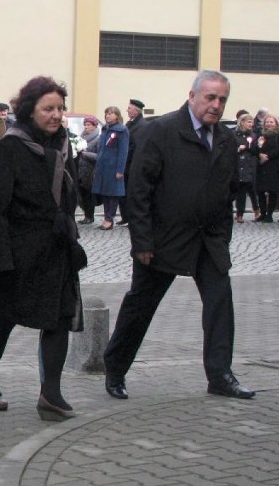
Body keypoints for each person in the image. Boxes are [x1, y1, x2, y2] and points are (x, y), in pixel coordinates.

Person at [103, 69, 254, 400]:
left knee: (219, 304)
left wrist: (223, 236)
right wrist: (142, 241)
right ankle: (114, 368)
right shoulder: (162, 130)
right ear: (192, 96)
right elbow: (140, 190)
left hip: (208, 239)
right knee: (141, 305)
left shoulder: (227, 138)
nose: (216, 105)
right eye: (210, 97)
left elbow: (228, 190)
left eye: (222, 99)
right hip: (162, 239)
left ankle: (220, 375)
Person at [0, 76, 84, 421]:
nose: (56, 115)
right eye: (48, 109)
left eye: (60, 108)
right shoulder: (12, 146)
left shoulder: (63, 144)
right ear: (29, 110)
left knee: (59, 319)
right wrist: (1, 258)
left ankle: (51, 394)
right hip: (17, 249)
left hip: (55, 248)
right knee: (5, 317)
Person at [91, 106, 129, 230]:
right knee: (105, 193)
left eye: (111, 113)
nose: (108, 115)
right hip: (103, 167)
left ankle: (109, 219)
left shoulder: (122, 130)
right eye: (106, 113)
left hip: (114, 168)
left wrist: (120, 170)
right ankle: (107, 217)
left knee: (113, 194)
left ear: (117, 116)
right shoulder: (105, 129)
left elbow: (123, 151)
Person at [118, 98, 147, 226]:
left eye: (129, 108)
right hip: (125, 163)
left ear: (136, 110)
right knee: (122, 192)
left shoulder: (141, 125)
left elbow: (135, 145)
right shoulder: (130, 124)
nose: (127, 110)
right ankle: (125, 217)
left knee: (130, 192)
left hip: (131, 164)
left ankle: (130, 218)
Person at [254, 114, 279, 223]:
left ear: (276, 123)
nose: (269, 124)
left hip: (273, 166)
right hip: (261, 166)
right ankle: (262, 213)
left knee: (272, 191)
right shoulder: (260, 134)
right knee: (260, 191)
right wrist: (259, 154)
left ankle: (269, 214)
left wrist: (267, 156)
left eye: (271, 122)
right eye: (267, 122)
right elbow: (254, 147)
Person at [233, 114, 260, 223]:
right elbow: (232, 148)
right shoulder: (235, 135)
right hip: (239, 165)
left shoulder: (254, 135)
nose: (251, 124)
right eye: (248, 122)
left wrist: (258, 146)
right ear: (242, 122)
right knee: (241, 191)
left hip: (250, 165)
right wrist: (238, 149)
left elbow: (256, 150)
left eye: (251, 122)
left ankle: (257, 210)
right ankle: (240, 213)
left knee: (252, 189)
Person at [76, 116, 100, 224]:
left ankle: (90, 216)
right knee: (82, 194)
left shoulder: (98, 139)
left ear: (94, 126)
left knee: (89, 195)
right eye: (85, 125)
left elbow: (99, 156)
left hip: (91, 171)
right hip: (80, 170)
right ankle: (86, 215)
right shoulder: (81, 137)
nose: (86, 127)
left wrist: (87, 154)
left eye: (89, 125)